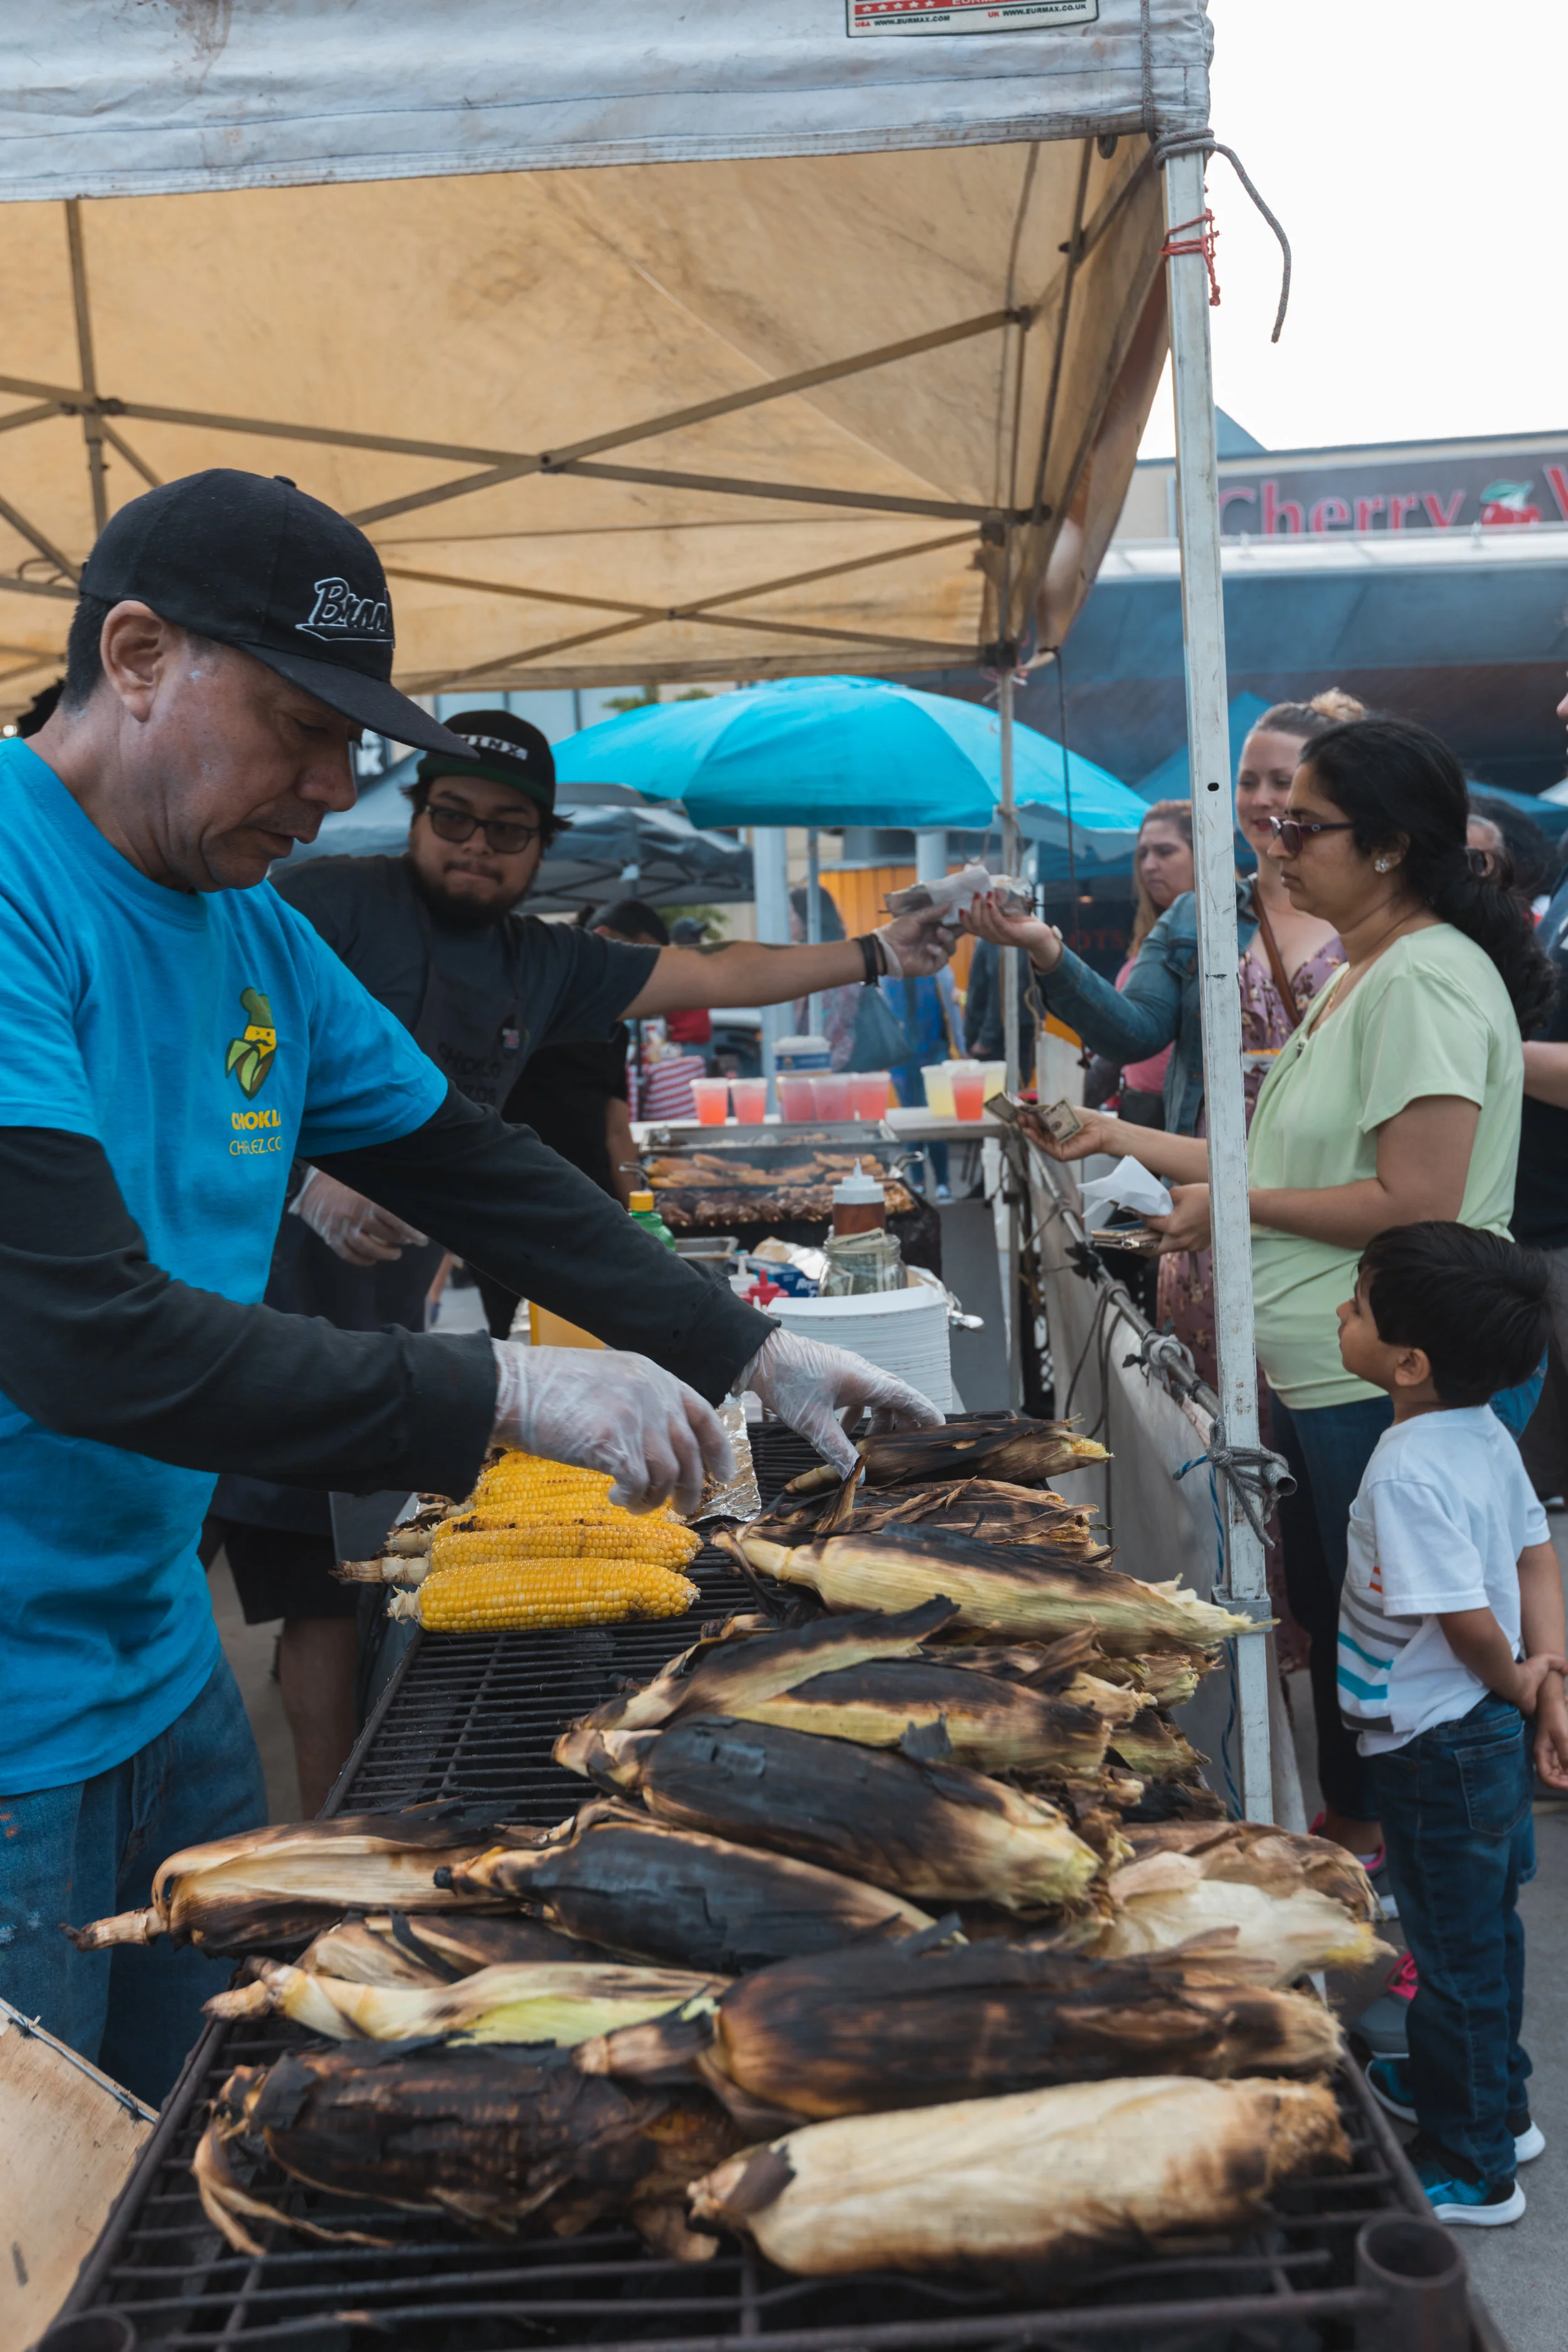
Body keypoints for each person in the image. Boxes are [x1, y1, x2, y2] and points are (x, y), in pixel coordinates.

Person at [0, 467, 944, 2102]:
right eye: (302, 727)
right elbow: (85, 1338)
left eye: (352, 742)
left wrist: (748, 1351)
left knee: (184, 2130)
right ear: (138, 655)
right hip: (11, 1718)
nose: (333, 787)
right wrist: (502, 1386)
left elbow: (467, 1163)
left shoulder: (251, 930)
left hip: (151, 1661)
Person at [210, 722, 961, 1810]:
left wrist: (880, 953)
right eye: (453, 818)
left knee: (345, 1592)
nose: (476, 846)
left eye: (507, 830)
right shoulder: (322, 902)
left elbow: (716, 973)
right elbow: (205, 1064)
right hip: (244, 1311)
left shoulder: (544, 962)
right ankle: (315, 1831)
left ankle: (333, 1819)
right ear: (417, 813)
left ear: (542, 843)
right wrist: (299, 1172)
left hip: (382, 1321)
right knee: (271, 1595)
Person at [1013, 718, 1554, 1865]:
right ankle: (1392, 1856)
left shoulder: (1421, 980)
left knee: (1430, 1680)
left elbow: (1416, 1198)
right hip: (1341, 1371)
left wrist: (1233, 1207)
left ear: (1390, 846)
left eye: (1305, 823)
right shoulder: (1363, 970)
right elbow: (1276, 1160)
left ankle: (1450, 1908)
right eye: (1272, 816)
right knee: (1367, 1639)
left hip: (1402, 1377)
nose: (1276, 838)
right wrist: (1112, 1132)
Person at [1337, 1224, 1568, 2225]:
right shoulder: (1484, 1432)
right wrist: (1550, 1679)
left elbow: (1466, 1620)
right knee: (1488, 1932)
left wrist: (1518, 1679)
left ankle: (1475, 2167)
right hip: (1483, 1732)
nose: (1341, 1313)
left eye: (1357, 1306)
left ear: (1410, 1362)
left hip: (1437, 1743)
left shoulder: (1404, 1468)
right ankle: (1498, 2105)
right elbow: (1536, 1556)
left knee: (1452, 1954)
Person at [1084, 800, 1197, 1126]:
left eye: (1164, 852)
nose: (1149, 865)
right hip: (1140, 1111)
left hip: (1194, 1116)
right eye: (1143, 854)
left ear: (1203, 852)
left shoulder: (1231, 937)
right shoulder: (1149, 937)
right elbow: (1119, 1052)